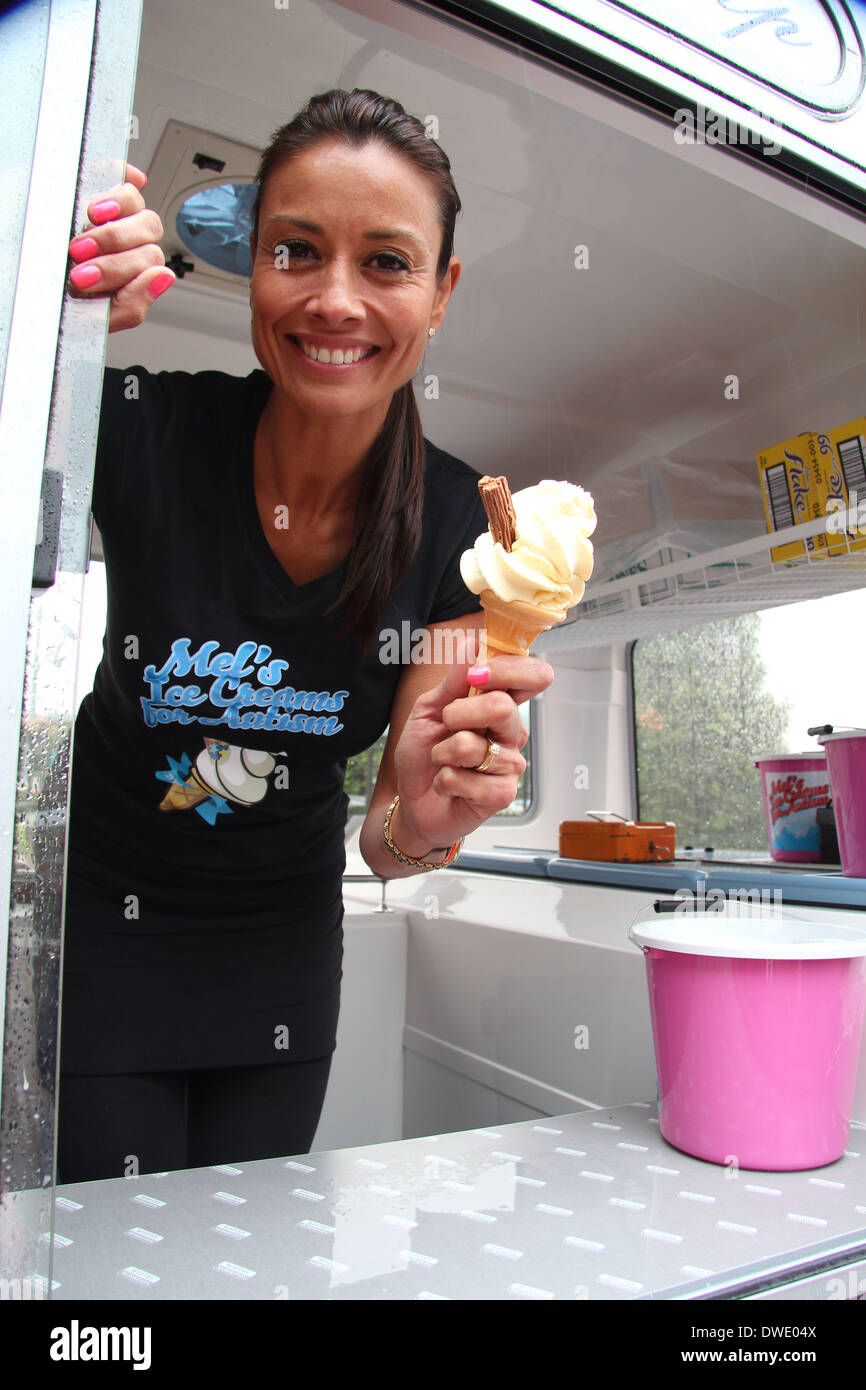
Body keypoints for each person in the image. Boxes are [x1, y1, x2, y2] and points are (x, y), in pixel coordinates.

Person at [57, 89, 552, 1183]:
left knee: (246, 1244)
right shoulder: (143, 423)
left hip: (279, 951)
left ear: (439, 294)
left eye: (385, 261)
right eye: (296, 250)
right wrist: (41, 326)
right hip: (103, 921)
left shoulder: (465, 527)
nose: (334, 300)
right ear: (253, 265)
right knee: (104, 1250)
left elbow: (385, 841)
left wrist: (426, 815)